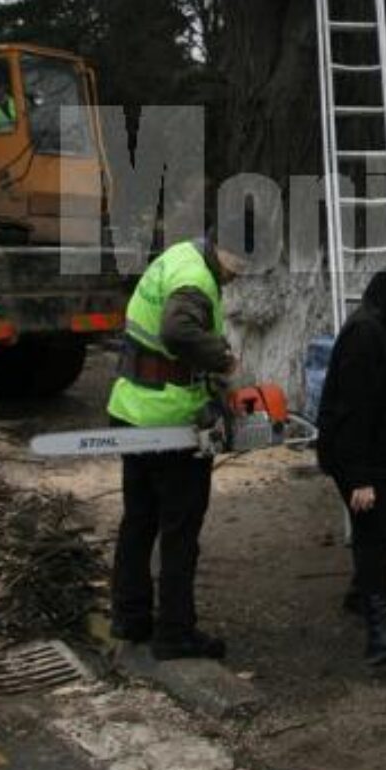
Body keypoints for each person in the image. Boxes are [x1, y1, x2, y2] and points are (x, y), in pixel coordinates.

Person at [109, 229, 243, 660]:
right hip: (170, 420)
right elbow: (177, 331)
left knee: (139, 520)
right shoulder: (197, 282)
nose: (239, 276)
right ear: (227, 249)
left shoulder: (181, 255)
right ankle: (175, 633)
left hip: (133, 408)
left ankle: (130, 617)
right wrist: (222, 359)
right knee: (180, 531)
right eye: (241, 264)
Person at [316, 261, 386, 665]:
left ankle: (360, 595)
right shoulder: (366, 335)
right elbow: (353, 411)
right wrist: (358, 477)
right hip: (362, 457)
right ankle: (379, 630)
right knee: (375, 531)